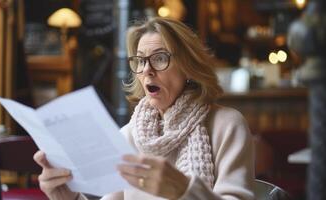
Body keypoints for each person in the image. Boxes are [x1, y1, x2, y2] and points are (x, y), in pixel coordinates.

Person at [34, 17, 255, 200]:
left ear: (188, 66)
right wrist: (69, 197)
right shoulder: (128, 135)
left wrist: (184, 191)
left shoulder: (227, 124)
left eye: (159, 58)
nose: (147, 70)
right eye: (139, 61)